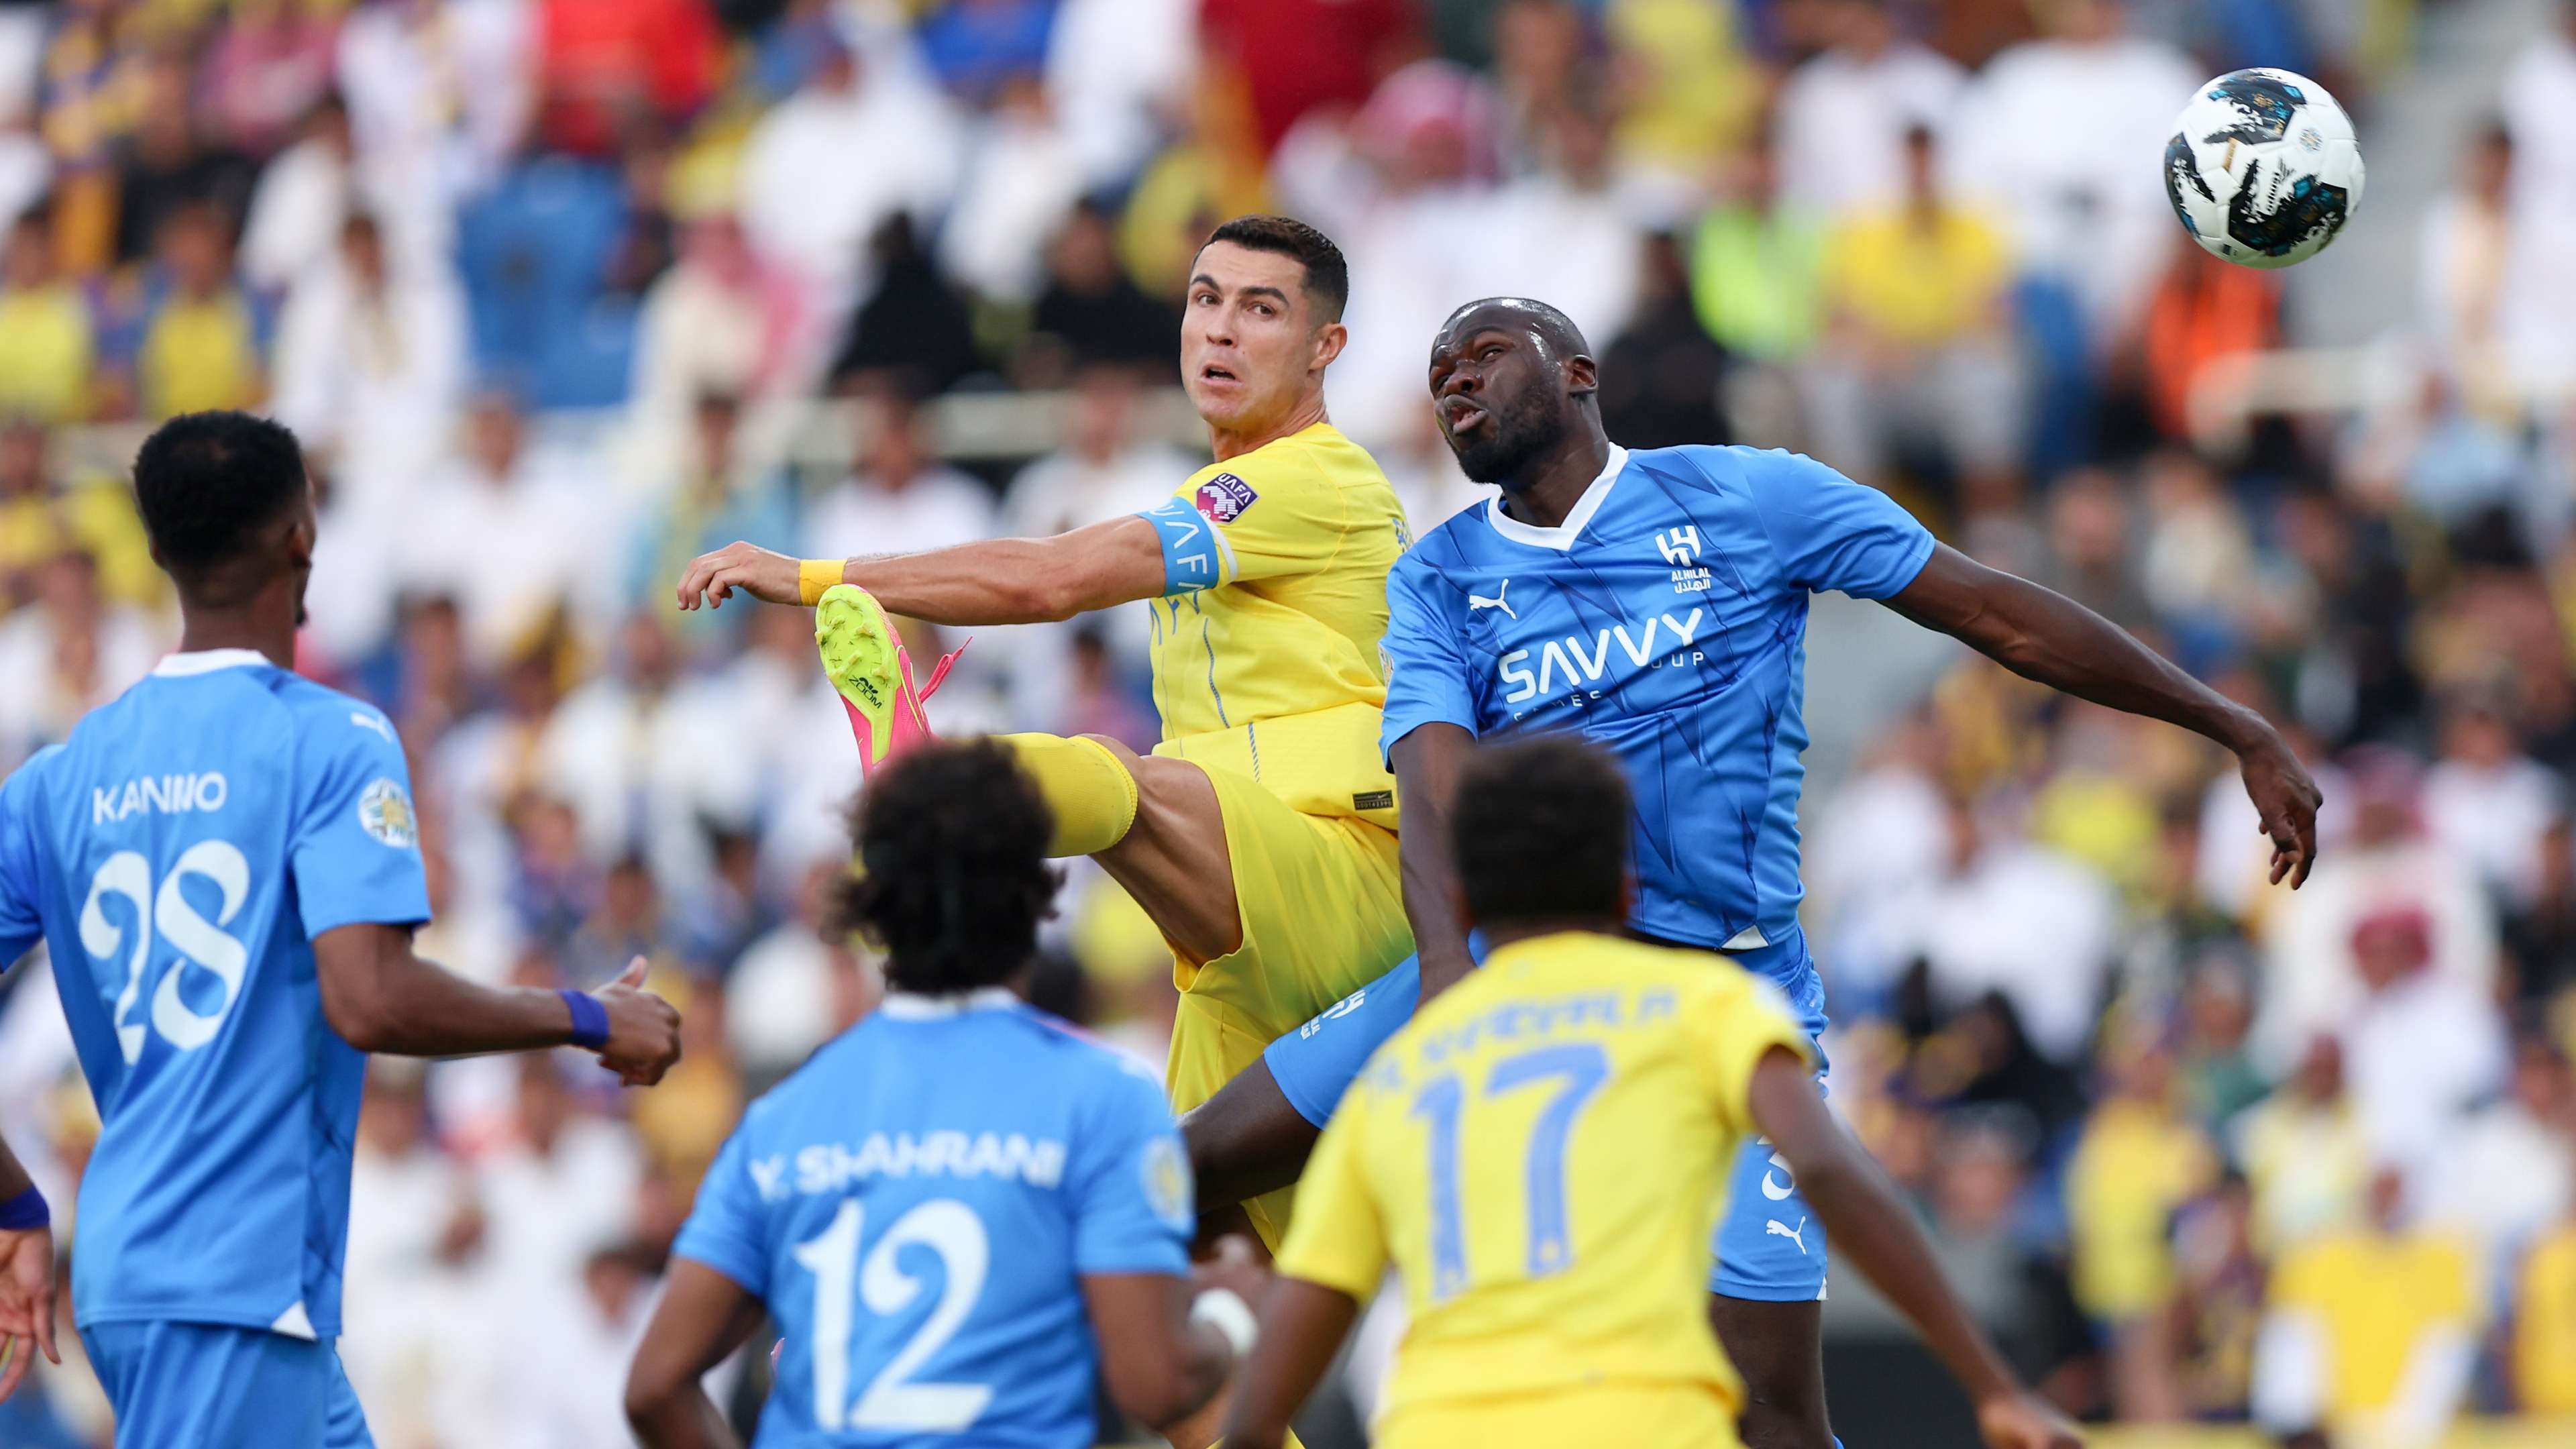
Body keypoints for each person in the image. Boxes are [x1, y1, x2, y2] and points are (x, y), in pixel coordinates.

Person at [1198, 295, 2321, 1448]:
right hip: (1507, 970)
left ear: (1577, 372)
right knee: (1185, 1176)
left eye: (1484, 355)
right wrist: (1442, 978)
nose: (1455, 384)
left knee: (1775, 1408)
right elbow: (1430, 793)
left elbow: (1997, 615)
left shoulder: (1751, 496)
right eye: (1438, 372)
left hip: (1728, 986)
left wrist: (2229, 721)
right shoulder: (1440, 578)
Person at [674, 217, 1415, 1246]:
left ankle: (943, 793)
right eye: (1207, 299)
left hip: (1351, 884)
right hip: (1234, 931)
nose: (1224, 331)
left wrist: (813, 576)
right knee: (1192, 1286)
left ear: (1325, 348)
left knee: (1121, 779)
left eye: (1263, 309)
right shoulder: (1222, 497)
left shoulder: (1314, 478)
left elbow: (1055, 579)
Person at [0, 410, 683, 1447]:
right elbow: (367, 997)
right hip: (228, 1280)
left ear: (157, 553)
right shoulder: (332, 737)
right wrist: (588, 1016)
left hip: (166, 1276)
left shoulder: (58, 777)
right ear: (301, 538)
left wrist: (14, 1207)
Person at [1219, 737, 2080, 1449]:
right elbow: (1823, 1162)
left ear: (1462, 896)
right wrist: (1990, 1383)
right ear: (1629, 891)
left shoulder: (1405, 1072)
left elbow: (1297, 1336)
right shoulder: (1704, 1007)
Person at [623, 740, 1258, 1448]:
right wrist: (1232, 1312)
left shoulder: (784, 1115)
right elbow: (1156, 1382)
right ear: (1035, 903)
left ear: (876, 913)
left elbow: (654, 1387)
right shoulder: (1103, 1098)